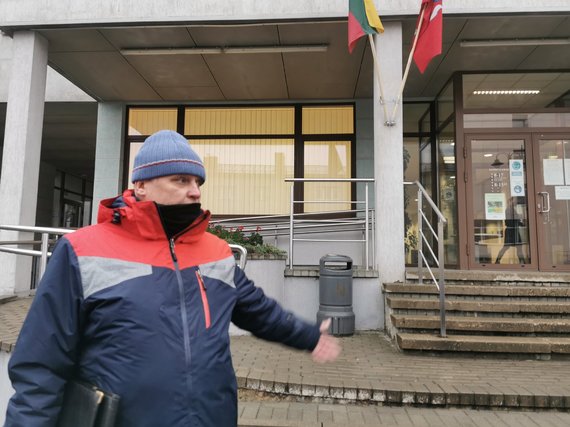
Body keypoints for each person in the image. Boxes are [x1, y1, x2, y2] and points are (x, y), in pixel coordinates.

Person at [5, 130, 341, 427]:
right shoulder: (81, 250)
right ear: (140, 186)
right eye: (180, 180)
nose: (195, 191)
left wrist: (308, 336)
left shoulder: (216, 251)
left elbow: (260, 312)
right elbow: (42, 363)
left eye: (198, 182)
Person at [495, 197, 525, 264]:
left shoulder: (511, 209)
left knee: (518, 247)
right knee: (507, 247)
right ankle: (497, 260)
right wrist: (519, 218)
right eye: (515, 201)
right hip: (511, 230)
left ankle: (523, 262)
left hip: (513, 230)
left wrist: (521, 223)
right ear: (511, 201)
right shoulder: (508, 210)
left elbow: (514, 220)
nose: (516, 202)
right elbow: (509, 221)